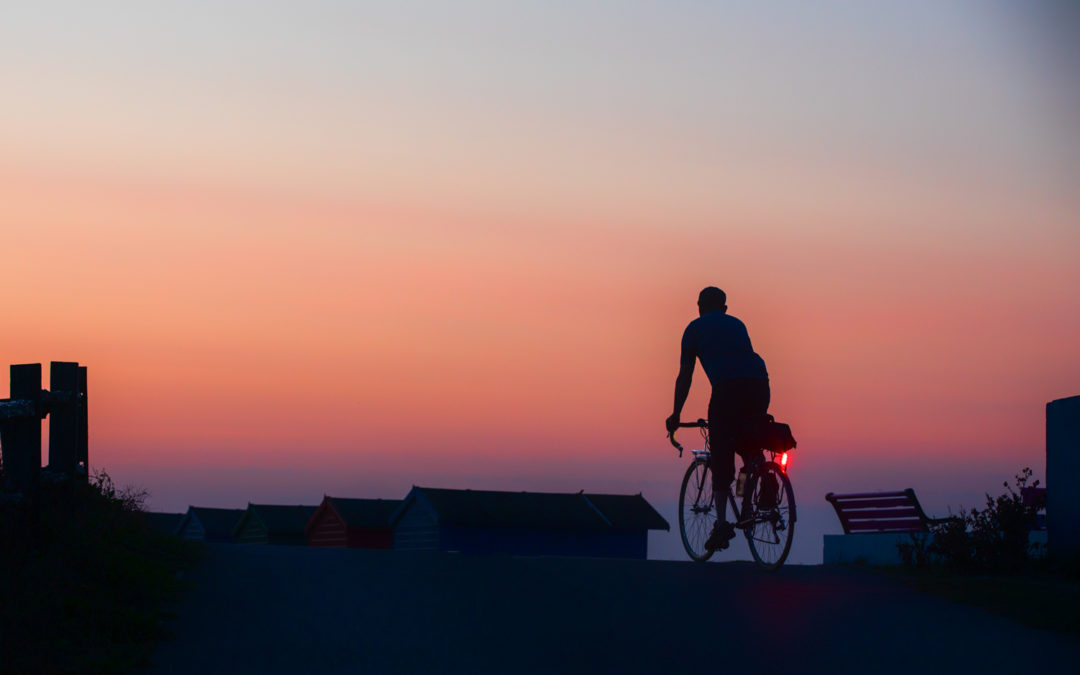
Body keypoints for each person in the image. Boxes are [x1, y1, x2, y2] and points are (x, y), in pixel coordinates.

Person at [665, 286, 770, 552]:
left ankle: (722, 523)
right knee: (748, 447)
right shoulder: (737, 323)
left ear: (699, 307)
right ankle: (747, 505)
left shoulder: (693, 329)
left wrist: (676, 414)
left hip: (727, 389)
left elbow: (685, 375)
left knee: (722, 455)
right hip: (760, 383)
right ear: (724, 308)